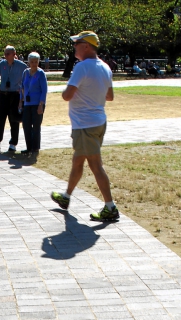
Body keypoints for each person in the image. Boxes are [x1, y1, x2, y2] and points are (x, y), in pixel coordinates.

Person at [49, 31, 118, 222]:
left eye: (77, 43)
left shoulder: (82, 67)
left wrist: (75, 91)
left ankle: (110, 207)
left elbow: (67, 95)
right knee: (78, 161)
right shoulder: (105, 67)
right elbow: (109, 96)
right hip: (98, 122)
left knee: (96, 165)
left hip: (85, 125)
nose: (74, 47)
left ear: (86, 46)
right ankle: (66, 197)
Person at [0, 46, 27, 152]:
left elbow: (27, 77)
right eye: (5, 53)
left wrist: (22, 91)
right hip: (3, 94)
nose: (6, 56)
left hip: (15, 95)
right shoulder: (2, 64)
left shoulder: (22, 66)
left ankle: (13, 143)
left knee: (14, 119)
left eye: (8, 54)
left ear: (14, 53)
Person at [19, 52, 47, 155]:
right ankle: (28, 147)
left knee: (36, 126)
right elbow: (22, 87)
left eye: (36, 62)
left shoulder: (41, 73)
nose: (34, 64)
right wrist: (20, 101)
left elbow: (44, 90)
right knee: (26, 125)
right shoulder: (25, 72)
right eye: (32, 62)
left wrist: (41, 104)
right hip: (27, 103)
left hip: (37, 103)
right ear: (28, 62)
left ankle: (35, 148)